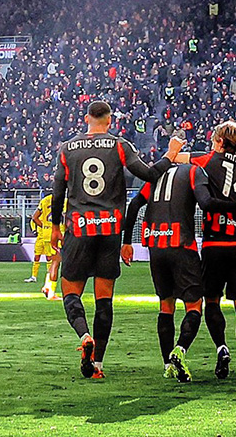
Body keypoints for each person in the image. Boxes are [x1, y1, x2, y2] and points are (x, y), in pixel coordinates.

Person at [51, 101, 184, 379]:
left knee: (71, 292)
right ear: (110, 121)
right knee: (104, 300)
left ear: (86, 118)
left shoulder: (67, 148)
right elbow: (149, 174)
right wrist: (170, 154)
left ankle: (84, 336)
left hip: (79, 229)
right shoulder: (120, 145)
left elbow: (58, 190)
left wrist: (54, 226)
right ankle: (98, 365)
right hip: (110, 230)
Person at [122, 162, 236, 382]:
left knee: (166, 306)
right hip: (181, 245)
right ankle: (179, 350)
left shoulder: (157, 175)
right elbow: (206, 203)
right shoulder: (193, 171)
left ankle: (167, 366)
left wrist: (126, 242)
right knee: (194, 306)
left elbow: (134, 205)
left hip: (156, 247)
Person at [174, 121, 236, 379]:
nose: (212, 143)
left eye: (214, 140)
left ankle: (222, 348)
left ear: (220, 142)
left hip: (215, 242)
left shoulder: (208, 158)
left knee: (211, 300)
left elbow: (176, 158)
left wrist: (176, 146)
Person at [25, 194, 56, 283]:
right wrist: (35, 230)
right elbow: (33, 221)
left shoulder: (46, 215)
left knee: (49, 257)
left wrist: (45, 227)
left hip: (47, 235)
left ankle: (49, 276)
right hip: (40, 237)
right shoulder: (40, 215)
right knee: (36, 257)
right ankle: (33, 276)